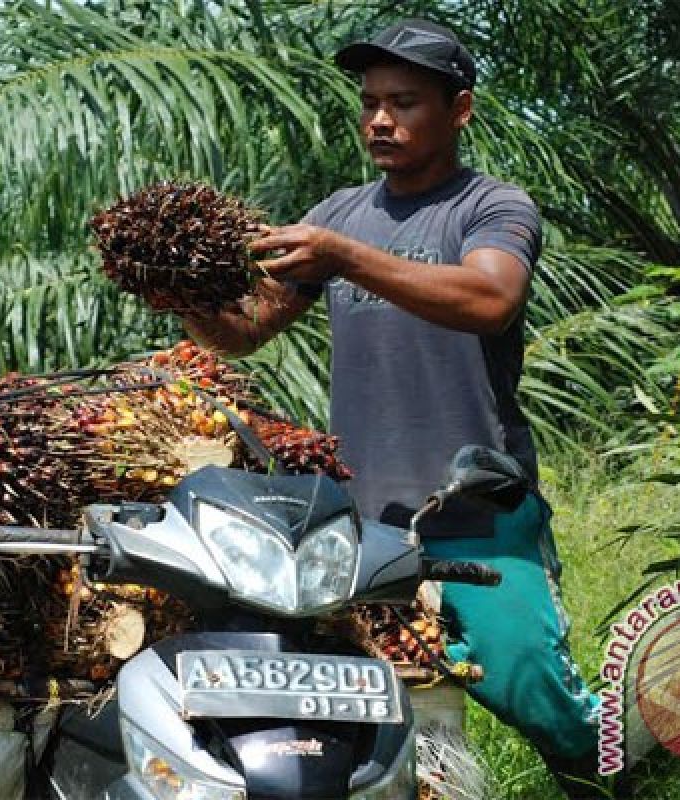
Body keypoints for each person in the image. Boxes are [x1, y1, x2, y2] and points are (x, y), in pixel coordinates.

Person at [181, 18, 619, 800]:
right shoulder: (340, 212)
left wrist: (346, 257)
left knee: (533, 690)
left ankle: (616, 779)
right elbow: (245, 331)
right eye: (371, 102)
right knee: (365, 708)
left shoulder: (492, 207)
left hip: (476, 503)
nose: (380, 119)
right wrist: (182, 293)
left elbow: (490, 297)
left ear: (460, 110)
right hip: (364, 520)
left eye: (405, 102)